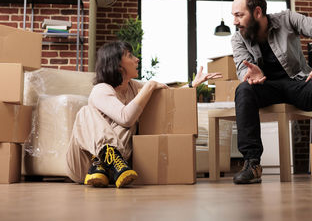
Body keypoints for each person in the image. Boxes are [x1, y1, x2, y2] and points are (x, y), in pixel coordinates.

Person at [66, 41, 221, 188]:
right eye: (130, 56)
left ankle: (108, 161)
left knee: (135, 118)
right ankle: (106, 158)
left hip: (115, 170)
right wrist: (150, 85)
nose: (137, 59)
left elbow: (166, 98)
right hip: (84, 165)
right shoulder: (101, 89)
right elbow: (125, 117)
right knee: (85, 111)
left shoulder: (133, 87)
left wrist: (192, 84)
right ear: (118, 65)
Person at [230, 0, 312, 184]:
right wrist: (251, 75)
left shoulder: (287, 18)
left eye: (239, 15)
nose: (235, 21)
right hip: (266, 86)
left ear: (257, 12)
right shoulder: (238, 38)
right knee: (243, 90)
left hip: (297, 83)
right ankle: (252, 163)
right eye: (233, 16)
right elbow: (242, 67)